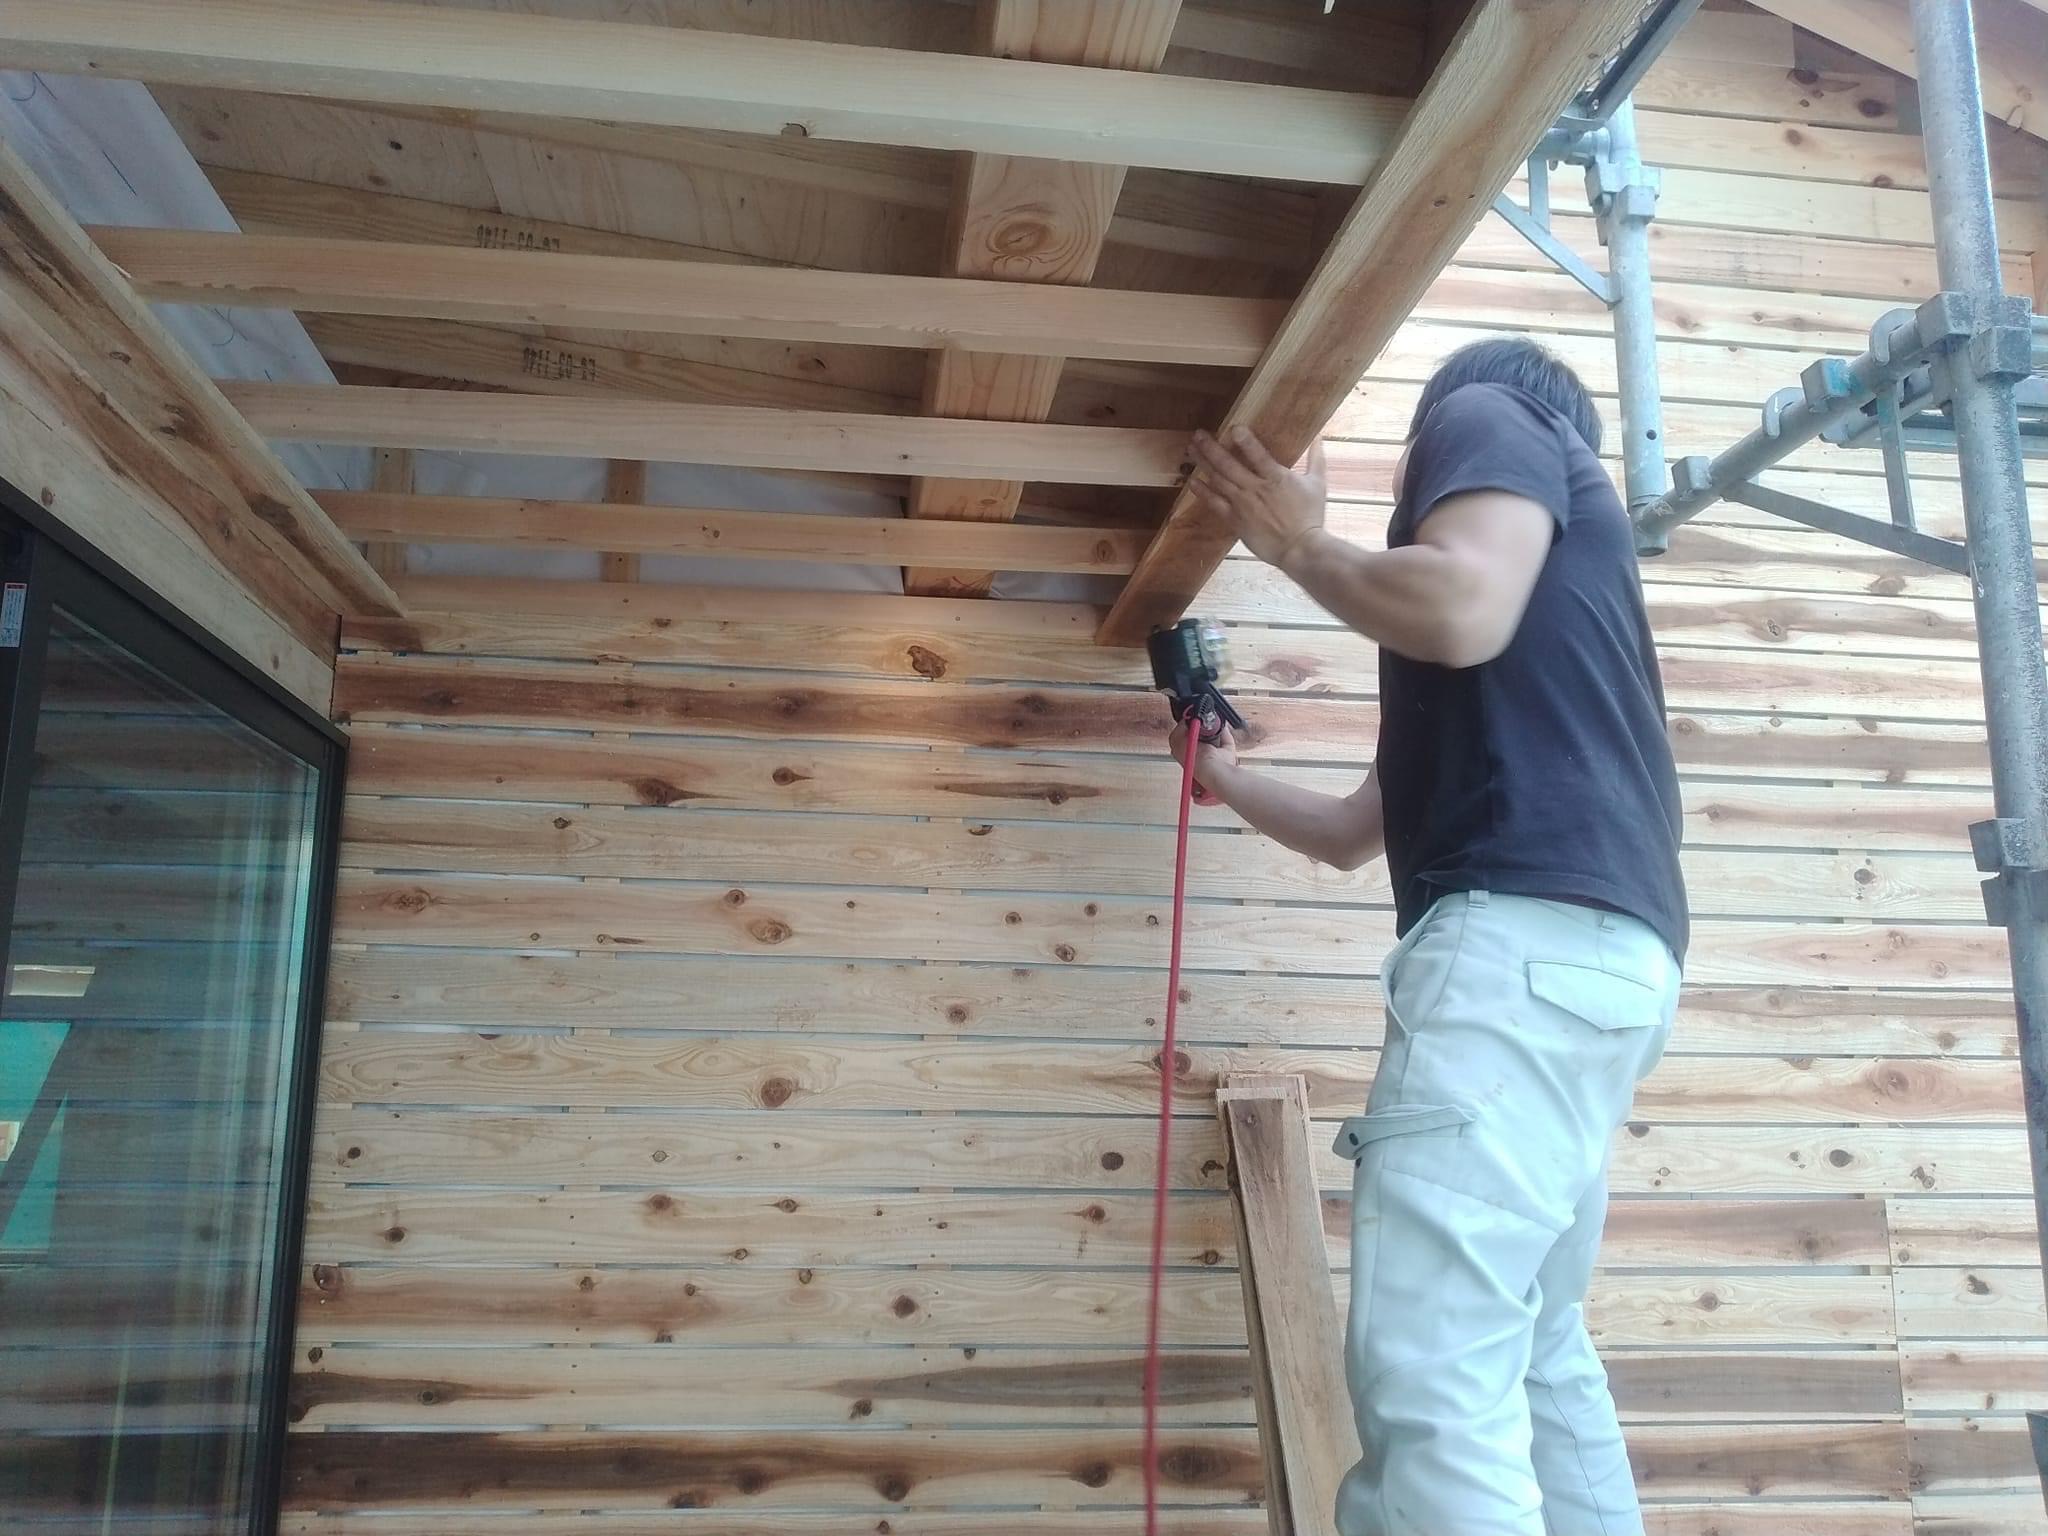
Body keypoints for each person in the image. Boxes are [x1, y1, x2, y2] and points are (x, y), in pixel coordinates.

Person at [1169, 337, 1688, 1536]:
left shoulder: (1490, 408)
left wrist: (1299, 544)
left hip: (1519, 956)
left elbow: (1454, 605)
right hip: (1599, 978)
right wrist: (1225, 780)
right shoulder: (1539, 658)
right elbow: (1356, 832)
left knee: (1433, 1370)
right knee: (1535, 1350)